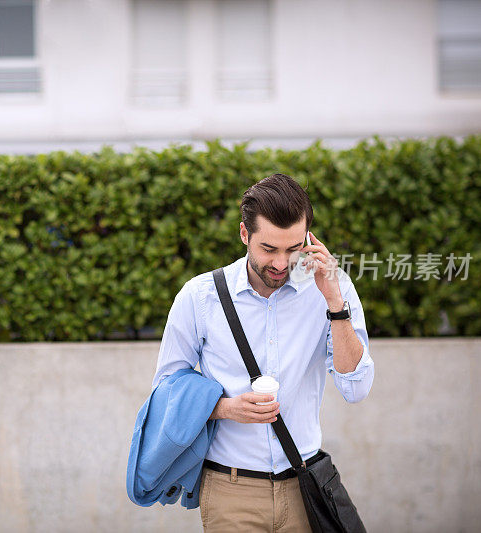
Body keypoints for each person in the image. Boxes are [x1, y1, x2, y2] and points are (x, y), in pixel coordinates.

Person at [152, 173, 375, 532]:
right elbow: (164, 389)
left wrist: (335, 301)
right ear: (244, 234)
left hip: (305, 487)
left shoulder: (334, 288)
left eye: (292, 248)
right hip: (230, 491)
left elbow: (356, 388)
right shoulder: (199, 297)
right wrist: (225, 408)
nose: (282, 264)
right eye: (268, 249)